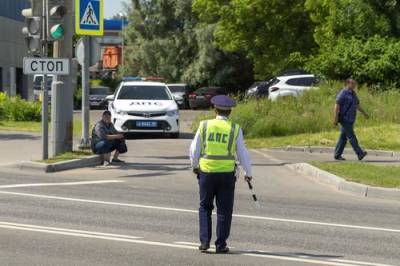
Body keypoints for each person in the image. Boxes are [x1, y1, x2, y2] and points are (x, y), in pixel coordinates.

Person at [189, 95, 253, 254]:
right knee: (224, 210)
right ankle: (221, 244)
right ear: (230, 112)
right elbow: (243, 153)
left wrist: (194, 166)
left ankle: (204, 242)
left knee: (205, 207)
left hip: (206, 173)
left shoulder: (204, 126)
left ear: (214, 110)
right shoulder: (235, 128)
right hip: (226, 175)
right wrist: (248, 172)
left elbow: (194, 149)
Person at [334, 79, 369, 161]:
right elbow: (337, 105)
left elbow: (357, 105)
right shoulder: (343, 93)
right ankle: (359, 153)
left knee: (343, 137)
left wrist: (364, 113)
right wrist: (335, 117)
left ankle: (337, 154)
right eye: (353, 84)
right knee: (351, 136)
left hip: (351, 119)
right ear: (347, 84)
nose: (354, 86)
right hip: (344, 118)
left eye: (355, 84)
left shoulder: (353, 94)